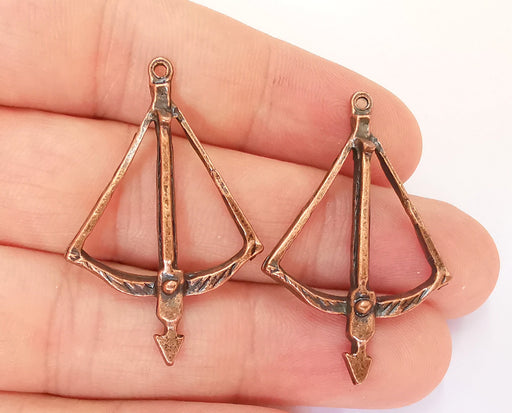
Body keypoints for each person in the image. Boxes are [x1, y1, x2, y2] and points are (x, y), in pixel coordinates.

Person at [0, 0, 499, 412]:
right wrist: (257, 258)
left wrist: (263, 260)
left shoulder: (335, 303)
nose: (170, 301)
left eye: (358, 328)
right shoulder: (190, 284)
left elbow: (407, 285)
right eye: (361, 332)